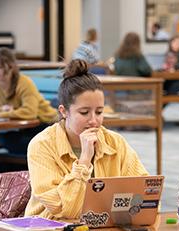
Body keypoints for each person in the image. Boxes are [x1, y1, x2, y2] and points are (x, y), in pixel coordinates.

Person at [24, 59, 149, 219]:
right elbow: (66, 210)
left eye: (99, 112)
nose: (93, 121)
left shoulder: (115, 142)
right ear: (64, 111)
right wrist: (84, 161)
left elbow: (146, 194)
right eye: (84, 113)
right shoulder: (42, 145)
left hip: (102, 230)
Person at [0, 47, 58, 154]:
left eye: (0, 67)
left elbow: (30, 112)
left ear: (10, 67)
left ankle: (44, 153)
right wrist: (3, 110)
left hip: (46, 123)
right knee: (6, 139)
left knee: (9, 141)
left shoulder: (24, 82)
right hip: (26, 128)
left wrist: (0, 114)